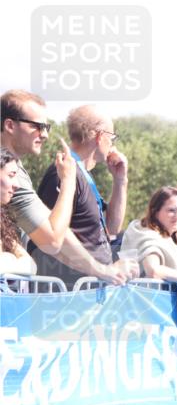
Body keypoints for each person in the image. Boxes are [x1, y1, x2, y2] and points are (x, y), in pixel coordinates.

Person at [1, 91, 129, 284]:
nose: (44, 134)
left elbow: (54, 234)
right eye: (37, 126)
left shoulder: (16, 171)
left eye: (47, 127)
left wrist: (102, 271)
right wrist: (68, 180)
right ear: (10, 125)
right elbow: (52, 240)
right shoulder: (60, 173)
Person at [32, 105, 131, 287]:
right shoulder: (63, 172)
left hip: (88, 290)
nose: (113, 144)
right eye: (112, 137)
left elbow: (112, 227)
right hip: (68, 294)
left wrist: (120, 181)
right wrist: (101, 270)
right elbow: (53, 234)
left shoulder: (82, 174)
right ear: (101, 137)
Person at [1, 148, 37, 274]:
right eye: (11, 175)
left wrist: (7, 261)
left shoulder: (3, 222)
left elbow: (31, 267)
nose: (16, 184)